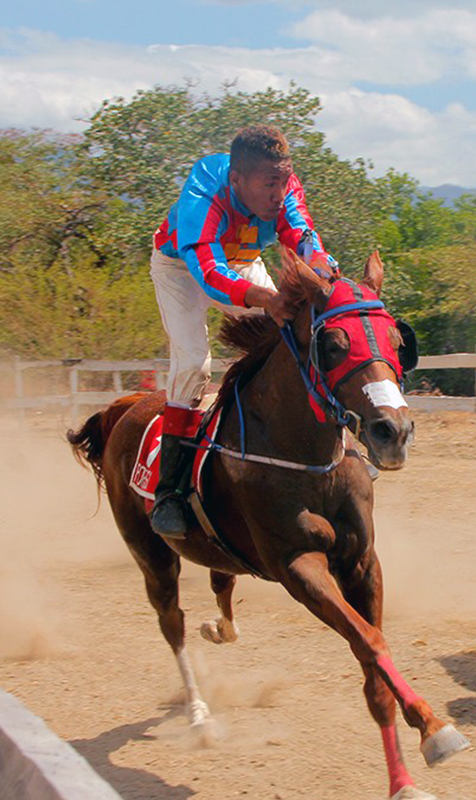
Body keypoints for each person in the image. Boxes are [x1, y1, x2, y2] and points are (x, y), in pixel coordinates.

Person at [148, 124, 337, 538]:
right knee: (196, 364)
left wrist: (324, 271)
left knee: (290, 335)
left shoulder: (285, 189)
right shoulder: (205, 189)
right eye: (270, 183)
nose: (279, 193)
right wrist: (267, 300)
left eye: (285, 181)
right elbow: (209, 272)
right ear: (236, 180)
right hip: (183, 269)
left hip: (241, 261)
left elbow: (304, 237)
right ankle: (170, 493)